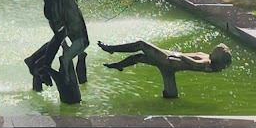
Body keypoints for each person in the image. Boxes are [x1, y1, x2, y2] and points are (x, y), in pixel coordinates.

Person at [25, 0, 102, 102]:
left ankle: (41, 67)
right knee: (82, 42)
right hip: (67, 9)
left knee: (59, 36)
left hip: (50, 9)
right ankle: (63, 64)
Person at [98, 38, 233, 99]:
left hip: (169, 60)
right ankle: (118, 66)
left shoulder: (207, 61)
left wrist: (179, 55)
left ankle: (111, 49)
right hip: (170, 64)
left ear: (218, 55)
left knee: (141, 45)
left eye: (218, 49)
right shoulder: (207, 56)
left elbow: (194, 64)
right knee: (139, 57)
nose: (216, 48)